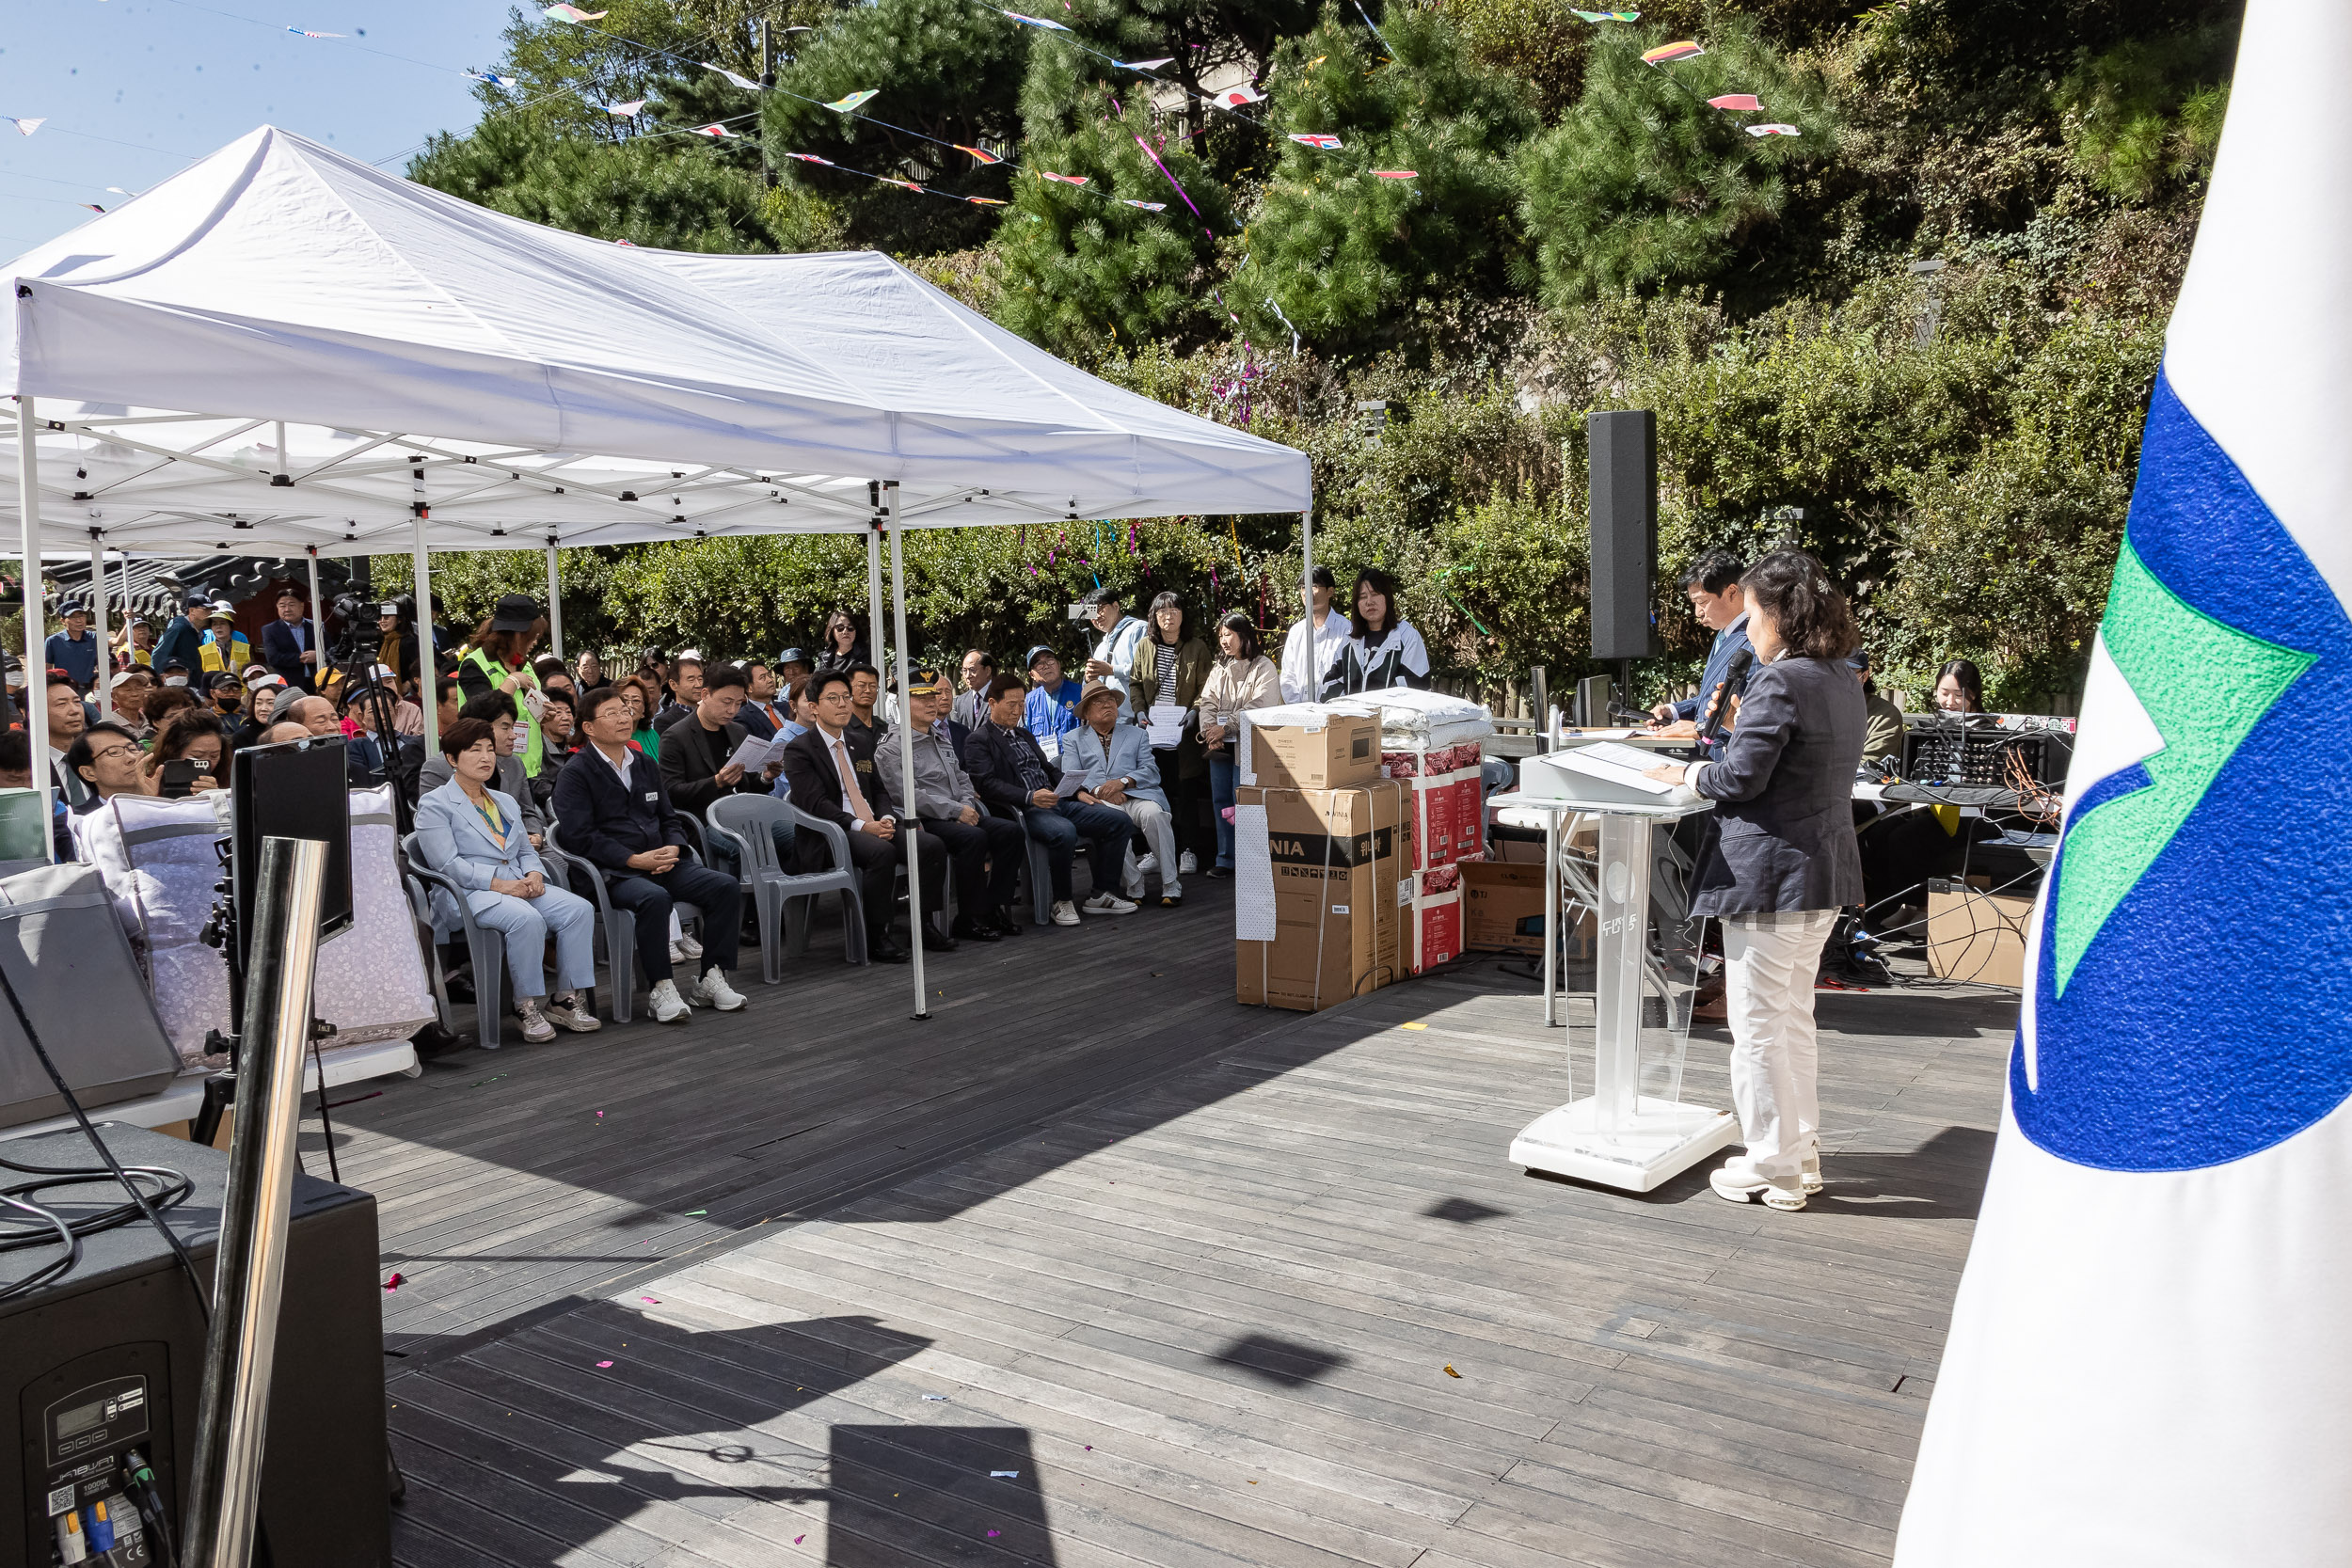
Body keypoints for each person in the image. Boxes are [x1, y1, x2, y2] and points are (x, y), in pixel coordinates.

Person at [1642, 550, 1866, 1212]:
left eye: (1756, 613)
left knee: (1759, 1025)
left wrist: (1684, 775)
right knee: (1793, 1018)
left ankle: (1773, 1163)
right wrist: (1740, 731)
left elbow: (1740, 778)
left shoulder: (1780, 679)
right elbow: (1792, 758)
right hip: (1822, 871)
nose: (1750, 626)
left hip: (1770, 875)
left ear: (1778, 616)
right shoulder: (1837, 677)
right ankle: (1801, 1151)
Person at [550, 686, 748, 1022]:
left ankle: (710, 977)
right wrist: (631, 859)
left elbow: (669, 817)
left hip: (662, 860)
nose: (624, 717)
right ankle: (661, 987)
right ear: (588, 728)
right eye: (611, 713)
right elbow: (580, 837)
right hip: (612, 873)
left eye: (625, 710)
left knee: (724, 886)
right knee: (655, 899)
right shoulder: (576, 772)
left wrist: (674, 845)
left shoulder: (642, 762)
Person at [416, 716, 603, 1043]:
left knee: (579, 910)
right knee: (526, 919)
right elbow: (447, 864)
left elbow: (523, 850)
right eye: (474, 750)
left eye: (489, 749)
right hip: (469, 892)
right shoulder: (435, 804)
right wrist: (501, 884)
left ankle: (564, 998)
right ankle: (524, 1004)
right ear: (452, 759)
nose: (486, 757)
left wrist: (534, 872)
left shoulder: (504, 801)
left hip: (518, 883)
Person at [780, 668, 946, 961]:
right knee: (880, 852)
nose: (843, 703)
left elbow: (879, 790)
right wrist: (861, 826)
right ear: (814, 707)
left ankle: (924, 924)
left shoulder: (861, 742)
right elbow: (816, 804)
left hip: (874, 824)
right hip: (830, 833)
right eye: (833, 698)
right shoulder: (799, 750)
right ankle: (876, 934)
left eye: (846, 696)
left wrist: (887, 819)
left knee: (930, 846)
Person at [963, 673, 1136, 926]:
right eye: (1011, 704)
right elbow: (986, 784)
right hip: (1025, 809)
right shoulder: (979, 740)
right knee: (1063, 832)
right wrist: (1030, 797)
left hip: (1059, 800)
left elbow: (1050, 769)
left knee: (1119, 819)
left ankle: (1102, 893)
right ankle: (1061, 900)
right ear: (992, 703)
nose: (1018, 709)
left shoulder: (1024, 735)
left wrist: (1078, 791)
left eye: (1021, 703)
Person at [877, 666, 1025, 942]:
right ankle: (969, 918)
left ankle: (992, 908)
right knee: (973, 838)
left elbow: (962, 778)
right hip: (926, 819)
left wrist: (966, 805)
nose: (931, 703)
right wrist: (956, 811)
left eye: (932, 697)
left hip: (960, 812)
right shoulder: (892, 747)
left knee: (1011, 831)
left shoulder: (941, 737)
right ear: (902, 704)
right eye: (921, 699)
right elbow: (906, 795)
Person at [658, 662, 794, 879]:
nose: (732, 710)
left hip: (746, 815)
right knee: (748, 848)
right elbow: (671, 792)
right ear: (705, 694)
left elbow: (748, 783)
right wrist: (716, 782)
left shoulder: (737, 730)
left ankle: (786, 900)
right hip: (704, 821)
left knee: (797, 836)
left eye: (738, 703)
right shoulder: (676, 736)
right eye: (726, 702)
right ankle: (750, 908)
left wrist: (766, 777)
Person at [1067, 680, 1181, 908]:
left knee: (1155, 815)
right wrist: (1101, 790)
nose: (1107, 705)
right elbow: (1071, 774)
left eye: (1110, 700)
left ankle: (1171, 883)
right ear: (1087, 712)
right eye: (1098, 702)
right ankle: (1134, 884)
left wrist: (1123, 783)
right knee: (1113, 822)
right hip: (1100, 800)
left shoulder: (1137, 734)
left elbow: (1150, 770)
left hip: (1138, 793)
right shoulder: (1073, 739)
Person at [1128, 592, 1213, 880]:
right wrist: (1139, 712)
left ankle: (1188, 849)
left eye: (1175, 610)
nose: (1169, 616)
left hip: (1184, 731)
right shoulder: (1144, 646)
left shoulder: (1197, 647)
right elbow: (1135, 684)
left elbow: (1206, 688)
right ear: (1154, 617)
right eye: (1163, 611)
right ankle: (1156, 850)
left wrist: (1195, 713)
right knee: (1157, 791)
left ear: (1183, 615)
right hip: (1152, 729)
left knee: (1186, 790)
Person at [1197, 612, 1280, 877]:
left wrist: (1227, 726)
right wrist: (1211, 731)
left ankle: (1250, 861)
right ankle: (1225, 859)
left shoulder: (1263, 666)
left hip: (1248, 747)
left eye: (1229, 634)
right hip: (1220, 746)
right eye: (1221, 635)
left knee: (1243, 801)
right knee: (1221, 801)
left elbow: (1260, 705)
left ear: (1244, 635)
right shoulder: (1219, 667)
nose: (1224, 640)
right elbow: (1207, 701)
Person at [419, 692, 549, 845]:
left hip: (519, 845)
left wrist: (533, 835)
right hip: (471, 851)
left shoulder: (515, 764)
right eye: (505, 728)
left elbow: (527, 812)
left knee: (557, 862)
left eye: (513, 728)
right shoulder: (438, 767)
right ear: (480, 727)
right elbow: (438, 828)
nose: (513, 736)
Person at [1649, 552, 1754, 740]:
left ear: (1732, 592)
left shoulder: (1755, 638)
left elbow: (1757, 715)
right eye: (1694, 603)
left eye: (1702, 602)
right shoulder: (1726, 633)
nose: (1698, 612)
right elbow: (1712, 697)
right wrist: (1672, 711)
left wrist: (1700, 728)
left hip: (1725, 758)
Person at [456, 594, 548, 777]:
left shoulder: (525, 664)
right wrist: (513, 682)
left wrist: (545, 714)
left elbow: (527, 709)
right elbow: (479, 714)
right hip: (492, 770)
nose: (535, 642)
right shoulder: (474, 664)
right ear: (515, 634)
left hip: (529, 770)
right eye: (531, 637)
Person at [1321, 567, 1429, 696]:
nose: (1369, 602)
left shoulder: (1406, 637)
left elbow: (1414, 687)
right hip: (1352, 715)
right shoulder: (1348, 643)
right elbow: (1329, 685)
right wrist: (1353, 710)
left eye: (1375, 594)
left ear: (1387, 597)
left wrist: (1374, 710)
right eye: (1363, 597)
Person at [1279, 565, 1351, 705]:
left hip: (1336, 713)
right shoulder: (1296, 632)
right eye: (1303, 587)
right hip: (1301, 713)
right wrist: (1298, 708)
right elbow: (1288, 677)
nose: (1307, 592)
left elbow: (1348, 676)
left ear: (1330, 591)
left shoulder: (1346, 630)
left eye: (1314, 586)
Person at [1080, 588, 1147, 713]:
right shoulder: (1100, 648)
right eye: (1091, 613)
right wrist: (1089, 680)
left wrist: (1112, 670)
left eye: (1100, 609)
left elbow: (1145, 670)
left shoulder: (1137, 629)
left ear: (1116, 606)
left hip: (1137, 719)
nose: (1096, 616)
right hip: (1110, 722)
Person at [137, 708, 229, 797]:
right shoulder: (151, 784)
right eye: (197, 756)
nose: (207, 763)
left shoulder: (229, 782)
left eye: (214, 756)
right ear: (174, 751)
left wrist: (218, 796)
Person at [63, 721, 146, 814]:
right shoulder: (77, 822)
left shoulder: (162, 803)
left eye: (133, 749)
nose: (132, 758)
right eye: (114, 752)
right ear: (88, 773)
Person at [1022, 646, 1083, 762]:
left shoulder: (1080, 693)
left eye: (1050, 660)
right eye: (1039, 664)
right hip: (1043, 767)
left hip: (1074, 763)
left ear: (1058, 665)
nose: (1046, 666)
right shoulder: (1029, 701)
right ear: (1032, 675)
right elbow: (1026, 739)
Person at [1852, 650, 1906, 769]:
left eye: (1848, 673)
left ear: (1864, 676)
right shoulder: (1813, 709)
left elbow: (1869, 765)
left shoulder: (1885, 716)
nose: (1838, 680)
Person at [259, 589, 317, 690]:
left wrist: (318, 655)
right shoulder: (270, 630)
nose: (287, 609)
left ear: (302, 605)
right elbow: (273, 658)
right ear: (277, 607)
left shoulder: (315, 626)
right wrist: (300, 658)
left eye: (291, 604)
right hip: (289, 684)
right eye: (282, 605)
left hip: (317, 681)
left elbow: (330, 650)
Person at [44, 676, 90, 807]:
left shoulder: (94, 755)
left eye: (77, 702)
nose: (74, 711)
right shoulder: (29, 765)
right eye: (61, 704)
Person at [45, 601, 100, 694]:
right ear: (63, 621)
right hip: (65, 690)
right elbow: (47, 670)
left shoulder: (93, 638)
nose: (79, 620)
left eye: (81, 616)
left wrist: (128, 620)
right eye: (73, 617)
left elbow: (116, 642)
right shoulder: (53, 641)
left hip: (90, 691)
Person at [151, 594, 206, 683]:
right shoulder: (179, 629)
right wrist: (160, 682)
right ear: (192, 610)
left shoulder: (198, 631)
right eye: (205, 609)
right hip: (177, 685)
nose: (210, 612)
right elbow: (158, 655)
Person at [197, 602, 251, 677]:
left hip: (239, 688)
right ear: (211, 628)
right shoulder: (203, 651)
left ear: (230, 627)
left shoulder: (244, 648)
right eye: (215, 624)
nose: (218, 627)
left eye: (222, 623)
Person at [655, 653, 704, 733]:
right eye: (691, 680)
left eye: (700, 679)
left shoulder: (709, 716)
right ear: (673, 685)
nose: (698, 685)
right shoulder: (664, 722)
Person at [737, 663, 785, 740]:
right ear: (749, 688)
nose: (770, 680)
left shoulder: (788, 707)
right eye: (762, 678)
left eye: (769, 675)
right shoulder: (743, 718)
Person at [620, 676, 663, 759]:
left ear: (643, 709)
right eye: (625, 700)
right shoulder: (609, 737)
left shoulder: (652, 735)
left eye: (636, 701)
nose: (630, 705)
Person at [813, 611, 868, 675]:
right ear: (832, 631)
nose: (845, 632)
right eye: (840, 627)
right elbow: (816, 683)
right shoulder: (825, 659)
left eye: (850, 627)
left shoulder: (867, 654)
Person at [953, 650, 995, 730]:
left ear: (987, 671)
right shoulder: (960, 701)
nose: (968, 676)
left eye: (972, 670)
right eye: (964, 670)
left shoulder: (1000, 697)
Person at [109, 670, 156, 739]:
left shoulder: (153, 720)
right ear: (114, 696)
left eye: (138, 689)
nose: (135, 694)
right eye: (128, 690)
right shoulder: (110, 723)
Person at [847, 665, 885, 743]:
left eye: (873, 686)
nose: (868, 690)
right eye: (861, 685)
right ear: (848, 689)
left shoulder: (884, 728)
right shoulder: (841, 728)